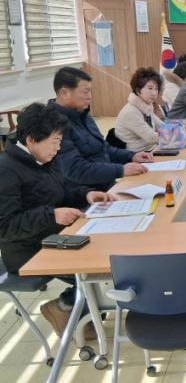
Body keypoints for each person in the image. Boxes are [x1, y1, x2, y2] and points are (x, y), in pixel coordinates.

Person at [0, 103, 115, 338]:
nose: (58, 148)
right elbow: (6, 227)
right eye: (54, 142)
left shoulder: (41, 159)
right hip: (28, 251)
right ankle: (66, 306)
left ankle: (79, 311)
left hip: (55, 236)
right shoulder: (7, 171)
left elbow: (59, 191)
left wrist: (86, 194)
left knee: (110, 252)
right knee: (102, 267)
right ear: (31, 140)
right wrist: (52, 214)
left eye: (60, 141)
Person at [50, 67, 152, 189]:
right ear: (64, 93)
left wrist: (131, 156)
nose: (90, 97)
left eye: (90, 91)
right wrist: (120, 170)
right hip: (85, 194)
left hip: (106, 186)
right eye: (85, 92)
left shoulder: (82, 115)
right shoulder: (53, 124)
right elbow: (75, 169)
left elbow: (104, 149)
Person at [115, 68, 164, 152]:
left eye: (156, 89)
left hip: (150, 150)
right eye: (150, 88)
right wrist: (175, 134)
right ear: (138, 91)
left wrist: (177, 128)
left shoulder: (146, 107)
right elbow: (151, 137)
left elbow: (162, 126)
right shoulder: (130, 111)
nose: (154, 93)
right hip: (137, 155)